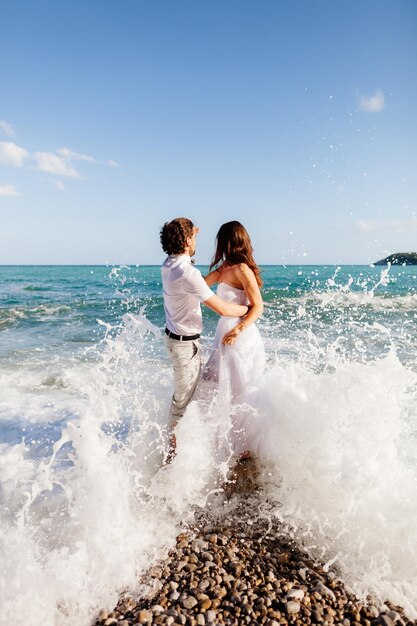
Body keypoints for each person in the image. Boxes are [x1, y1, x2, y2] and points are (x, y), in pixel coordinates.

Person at [160, 217, 250, 460]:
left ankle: (192, 447)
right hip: (183, 344)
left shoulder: (168, 264)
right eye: (195, 237)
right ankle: (173, 459)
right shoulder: (187, 273)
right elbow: (222, 308)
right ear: (188, 240)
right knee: (182, 404)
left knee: (197, 393)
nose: (197, 241)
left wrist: (188, 232)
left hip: (179, 340)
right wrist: (246, 310)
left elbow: (196, 271)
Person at [202, 220, 265, 459]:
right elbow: (199, 287)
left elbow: (258, 306)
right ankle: (223, 439)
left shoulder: (242, 270)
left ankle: (246, 445)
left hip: (240, 335)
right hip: (223, 332)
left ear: (230, 241)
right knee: (215, 382)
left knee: (242, 388)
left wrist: (239, 329)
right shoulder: (223, 268)